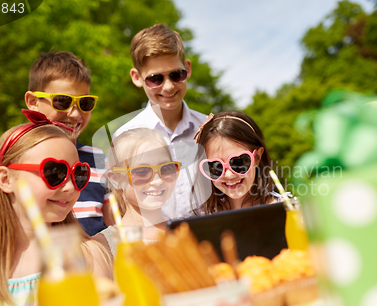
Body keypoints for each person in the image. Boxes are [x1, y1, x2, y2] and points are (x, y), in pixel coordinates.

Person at [0, 112, 112, 306]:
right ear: (5, 179)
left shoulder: (88, 256)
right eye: (54, 172)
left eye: (78, 174)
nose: (70, 187)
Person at [113, 23, 207, 220]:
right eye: (155, 78)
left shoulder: (208, 128)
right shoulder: (124, 136)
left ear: (187, 69)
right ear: (137, 77)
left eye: (176, 74)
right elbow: (121, 203)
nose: (168, 86)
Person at [23, 51, 112, 236]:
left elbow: (113, 222)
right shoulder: (14, 154)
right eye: (62, 101)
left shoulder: (98, 158)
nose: (75, 114)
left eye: (85, 103)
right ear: (33, 101)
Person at [95, 128, 181, 257]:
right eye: (141, 172)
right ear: (116, 179)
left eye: (166, 169)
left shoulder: (187, 231)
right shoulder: (102, 246)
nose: (157, 181)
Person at [193, 110, 280, 214]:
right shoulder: (205, 221)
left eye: (238, 162)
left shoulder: (288, 210)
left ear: (257, 157)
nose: (229, 175)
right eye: (216, 166)